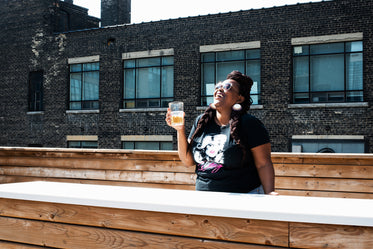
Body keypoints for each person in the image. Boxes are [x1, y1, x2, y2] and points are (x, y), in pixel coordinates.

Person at [166, 71, 277, 195]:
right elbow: (187, 161)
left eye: (227, 87)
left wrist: (269, 193)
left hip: (243, 197)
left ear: (239, 98)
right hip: (204, 197)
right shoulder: (201, 122)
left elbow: (263, 164)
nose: (220, 89)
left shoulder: (250, 124)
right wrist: (180, 130)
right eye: (218, 87)